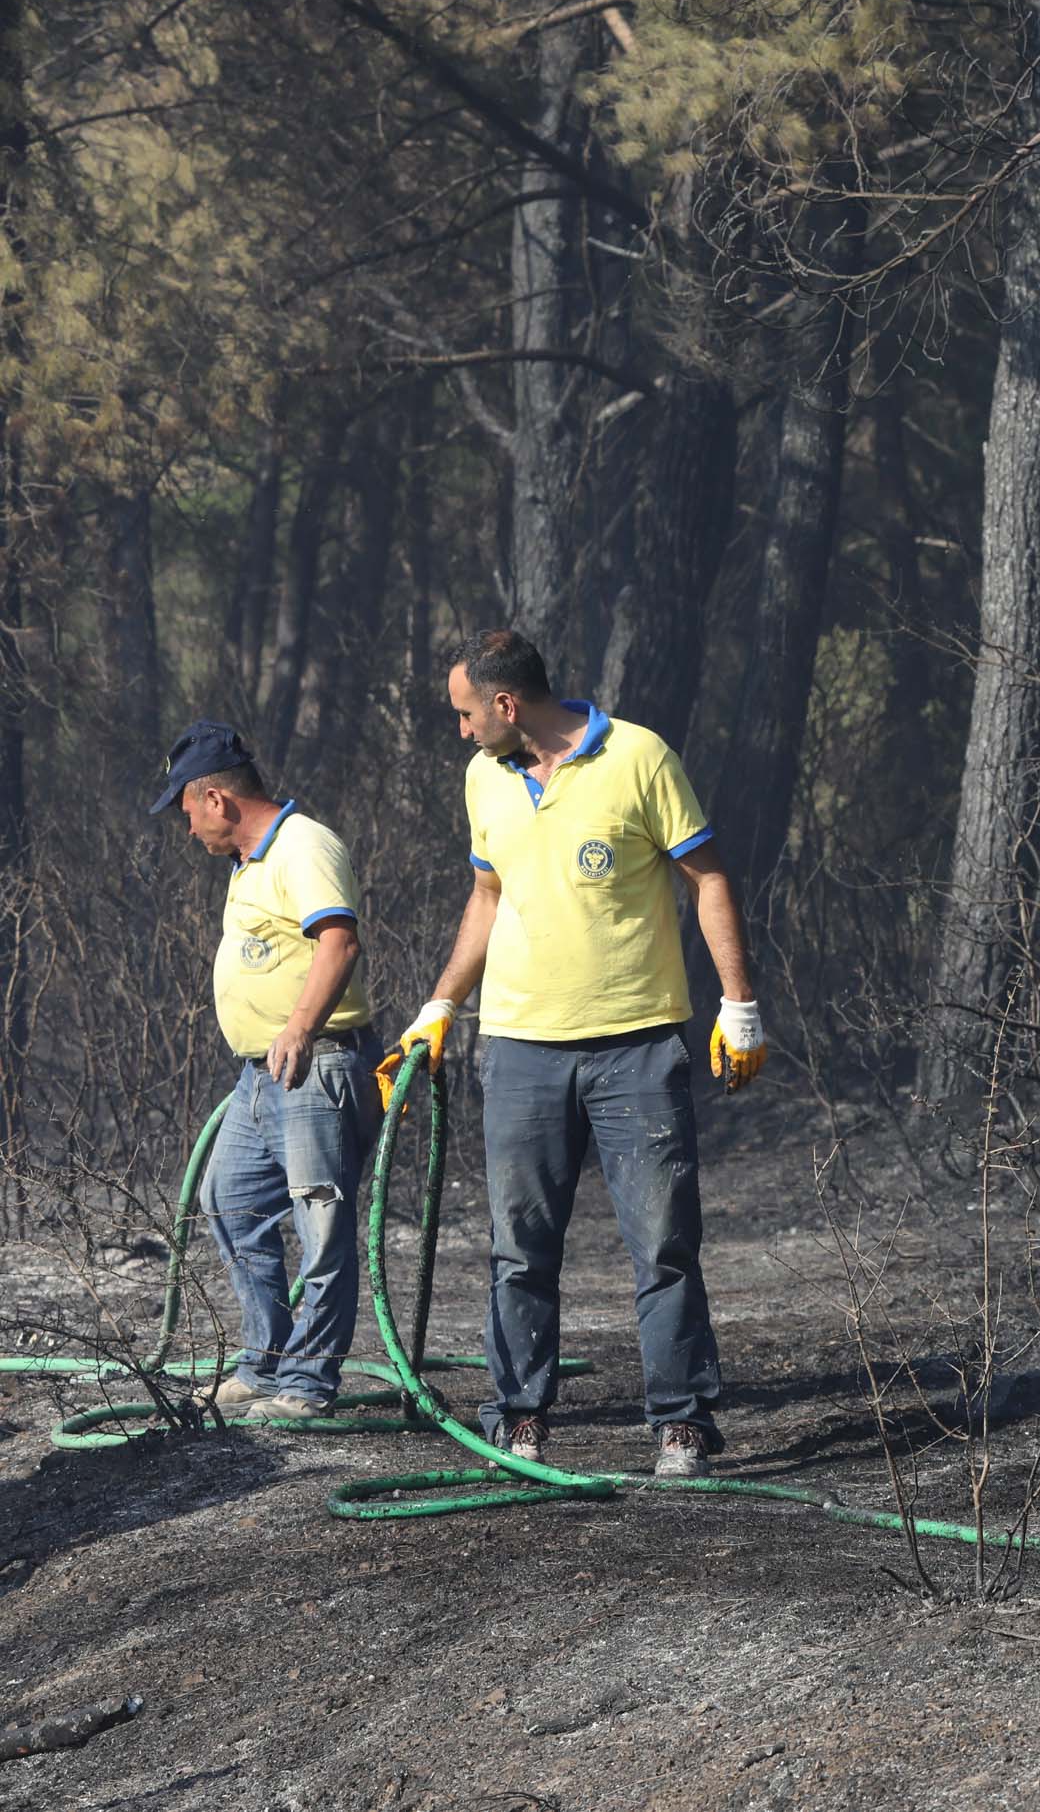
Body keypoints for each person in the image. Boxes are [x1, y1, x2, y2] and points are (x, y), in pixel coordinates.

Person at [380, 630, 768, 1479]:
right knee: (519, 1245)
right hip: (519, 1050)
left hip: (636, 1047)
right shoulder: (485, 776)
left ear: (507, 705)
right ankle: (519, 1418)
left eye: (465, 713)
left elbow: (708, 879)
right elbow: (488, 893)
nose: (460, 730)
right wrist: (442, 1001)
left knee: (663, 1242)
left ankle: (681, 1424)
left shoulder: (638, 757)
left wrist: (739, 1004)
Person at [155, 720, 378, 1421]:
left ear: (216, 799)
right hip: (260, 1075)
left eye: (187, 812)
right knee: (230, 1203)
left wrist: (299, 1029)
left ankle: (308, 1388)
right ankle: (266, 1362)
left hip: (318, 1065)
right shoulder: (248, 862)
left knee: (321, 1228)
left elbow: (337, 943)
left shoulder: (302, 844)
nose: (189, 831)